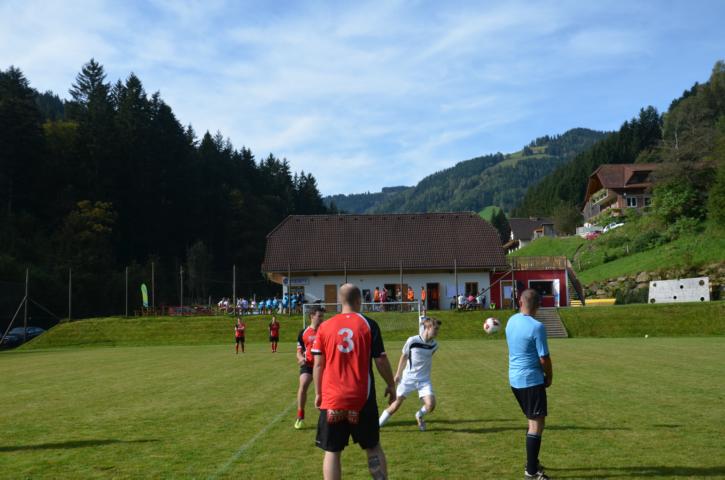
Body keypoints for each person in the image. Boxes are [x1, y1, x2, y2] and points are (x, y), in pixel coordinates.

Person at [311, 284, 396, 480]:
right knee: (372, 447)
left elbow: (318, 364)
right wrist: (391, 385)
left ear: (340, 301)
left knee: (332, 451)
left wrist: (318, 393)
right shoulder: (369, 324)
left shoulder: (324, 326)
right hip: (361, 398)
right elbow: (380, 360)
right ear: (359, 300)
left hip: (333, 398)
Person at [505, 289, 553, 480]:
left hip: (514, 379)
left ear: (520, 302)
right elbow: (544, 358)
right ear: (538, 306)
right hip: (531, 380)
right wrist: (549, 376)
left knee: (533, 421)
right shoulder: (537, 327)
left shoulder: (511, 321)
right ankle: (531, 472)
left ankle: (532, 463)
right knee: (536, 424)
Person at [379, 316, 440, 431]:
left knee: (431, 405)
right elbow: (404, 356)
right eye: (435, 329)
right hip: (408, 379)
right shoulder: (412, 341)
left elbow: (427, 357)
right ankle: (377, 426)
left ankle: (419, 415)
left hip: (424, 380)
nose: (437, 332)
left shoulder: (435, 345)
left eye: (438, 329)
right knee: (395, 405)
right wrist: (398, 374)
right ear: (428, 328)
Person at [295, 305, 326, 429]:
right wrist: (300, 358)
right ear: (312, 316)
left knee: (324, 391)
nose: (322, 319)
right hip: (308, 365)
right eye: (319, 316)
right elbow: (299, 351)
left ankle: (326, 417)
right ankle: (300, 416)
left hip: (322, 366)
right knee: (303, 385)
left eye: (322, 316)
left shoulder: (325, 331)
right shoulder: (303, 333)